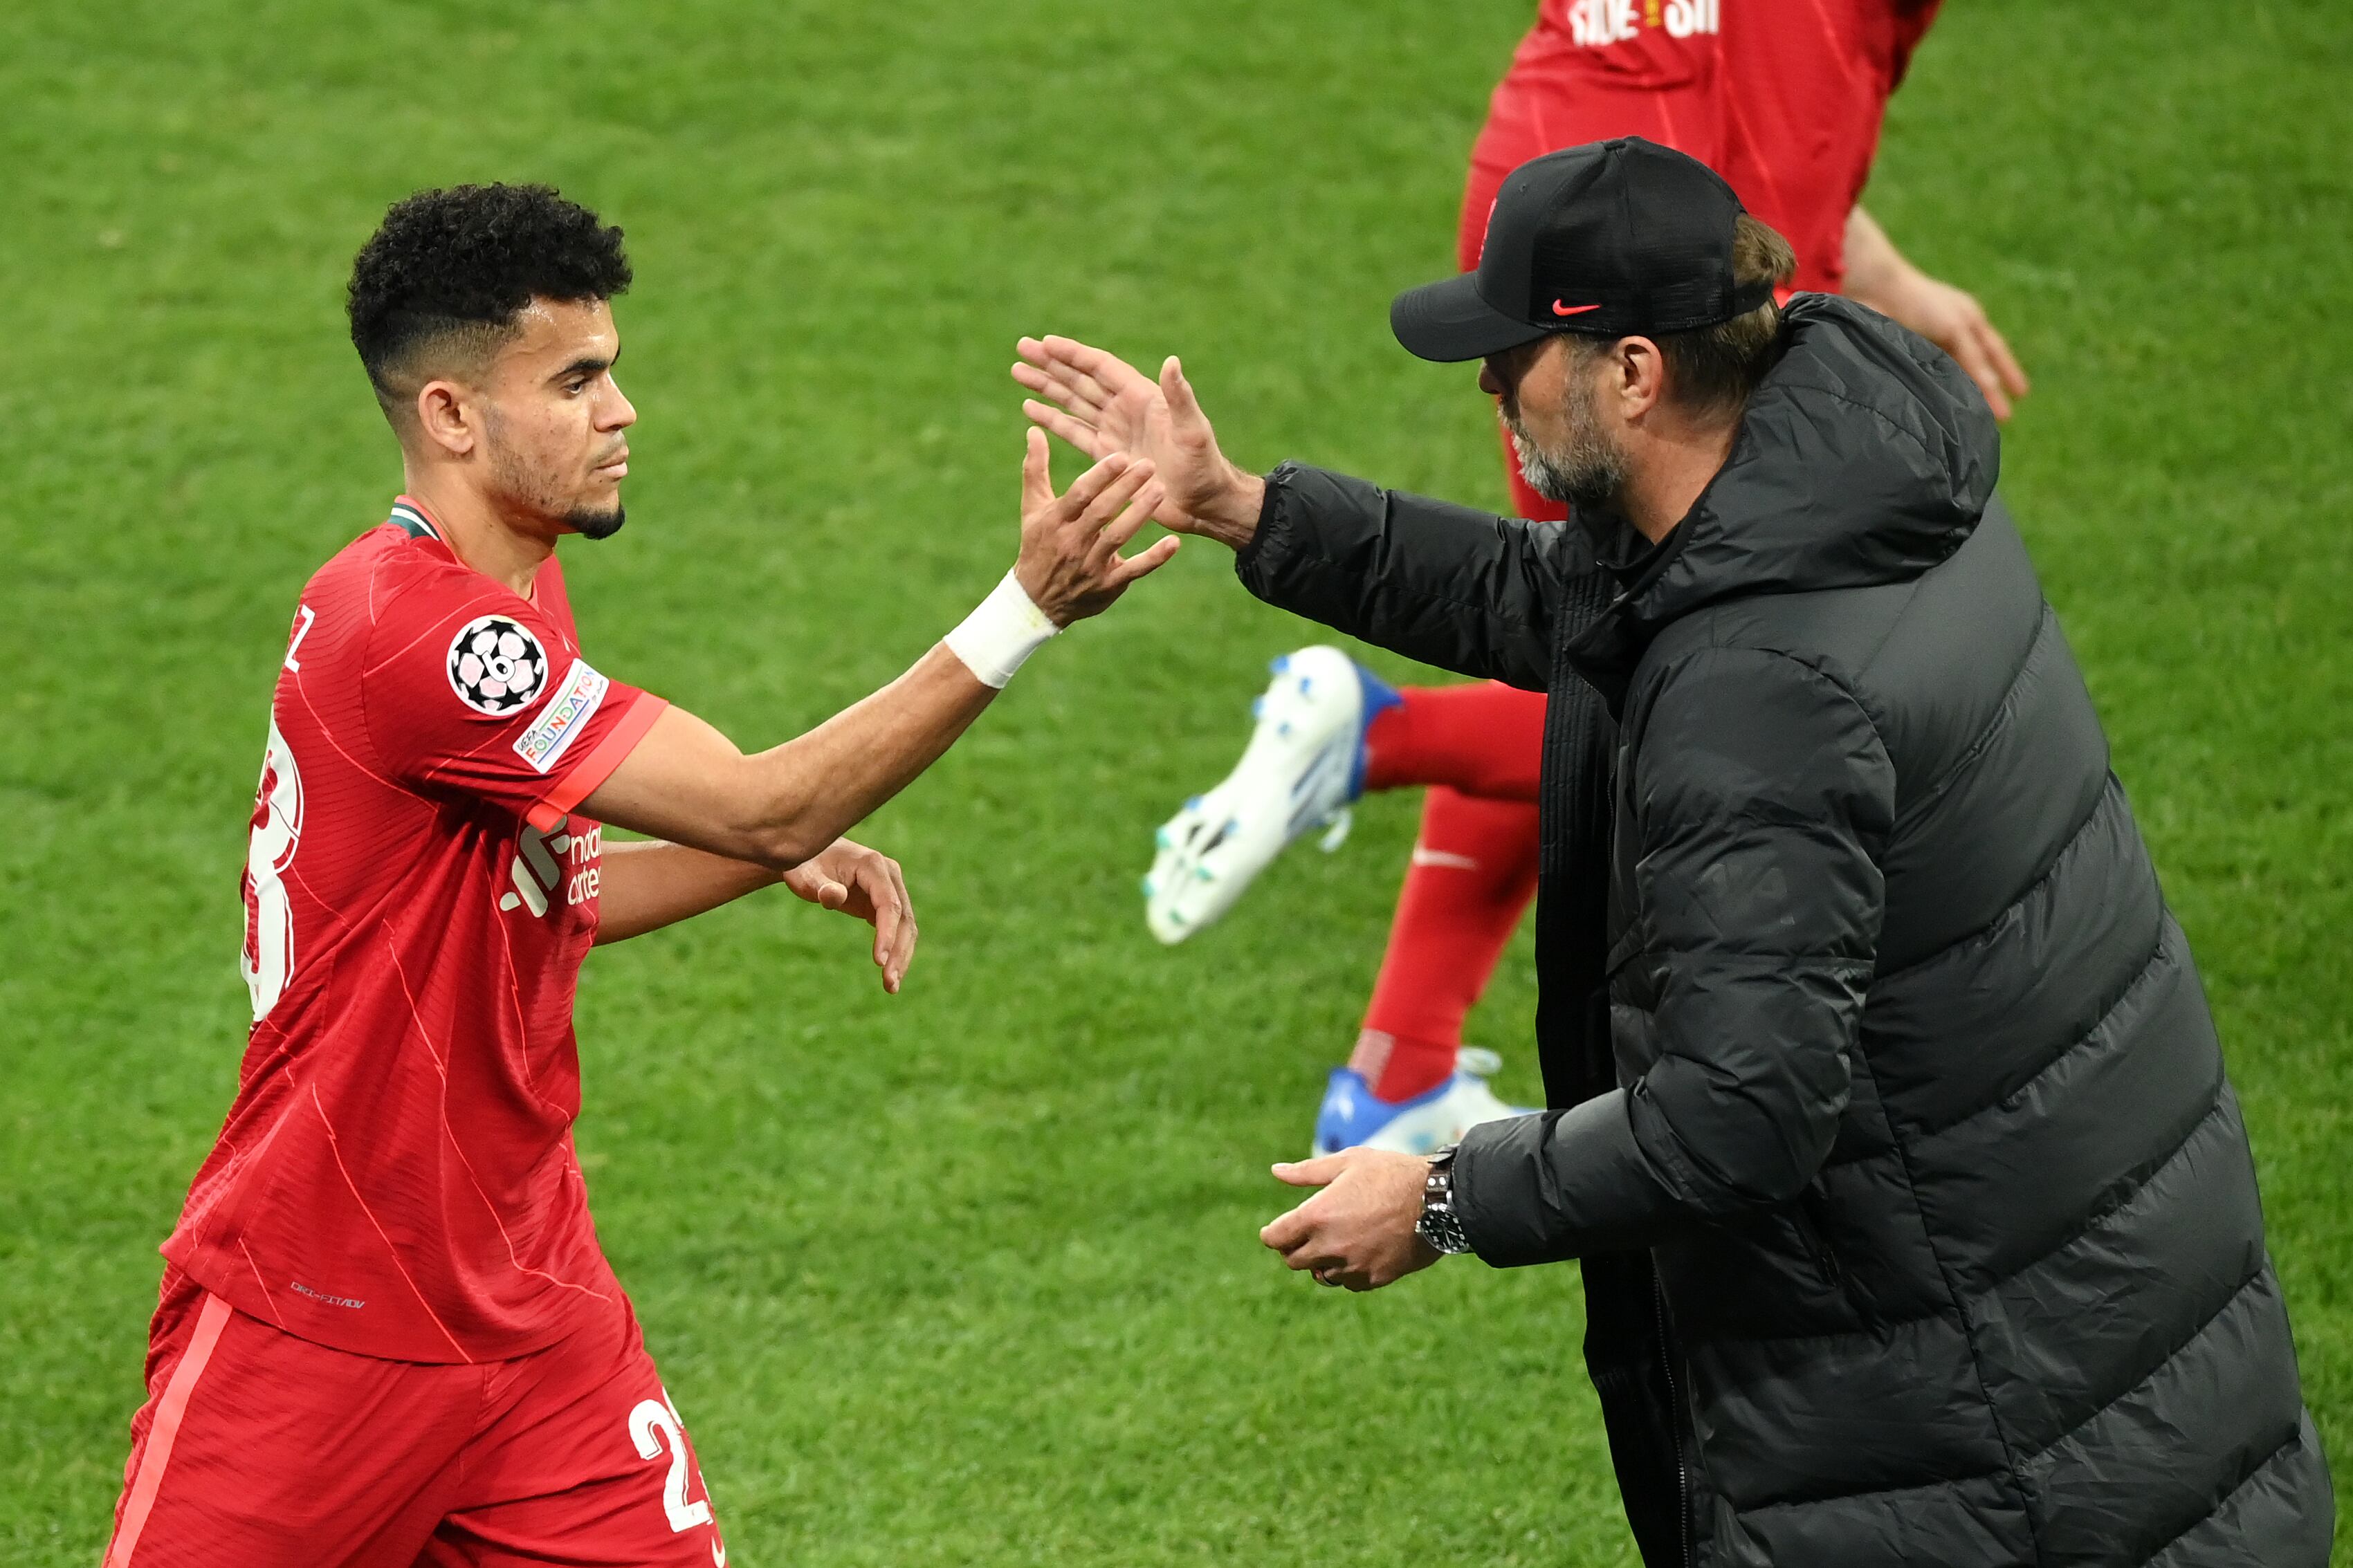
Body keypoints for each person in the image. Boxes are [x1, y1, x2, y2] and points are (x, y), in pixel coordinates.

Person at [1018, 140, 2330, 1565]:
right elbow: (1561, 599)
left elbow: (1741, 1115)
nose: (1486, 388)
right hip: (2093, 1340)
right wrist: (1239, 507)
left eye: (1517, 352)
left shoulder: (1757, 683)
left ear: (1634, 371)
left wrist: (1445, 1194)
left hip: (1982, 1446)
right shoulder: (1825, 472)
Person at [102, 183, 1174, 1567]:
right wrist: (1025, 608)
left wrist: (749, 859)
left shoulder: (509, 589)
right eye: (576, 381)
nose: (623, 411)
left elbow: (554, 899)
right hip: (325, 1316)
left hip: (532, 1306)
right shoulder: (416, 636)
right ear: (450, 415)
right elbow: (769, 801)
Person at [1139, 0, 2034, 1161]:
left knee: (1591, 614)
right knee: (1654, 654)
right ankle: (1374, 734)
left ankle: (1400, 1067)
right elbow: (1770, 211)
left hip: (1560, 174)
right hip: (1633, 246)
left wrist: (1888, 276)